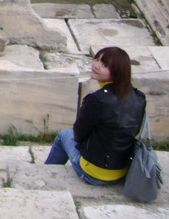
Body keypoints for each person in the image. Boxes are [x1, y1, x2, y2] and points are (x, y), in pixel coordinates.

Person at [45, 47, 146, 186]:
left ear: (117, 71)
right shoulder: (139, 97)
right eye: (96, 59)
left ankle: (47, 172)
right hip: (121, 171)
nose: (95, 65)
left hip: (94, 173)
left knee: (65, 135)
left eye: (104, 65)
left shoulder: (97, 100)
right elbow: (135, 131)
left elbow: (78, 134)